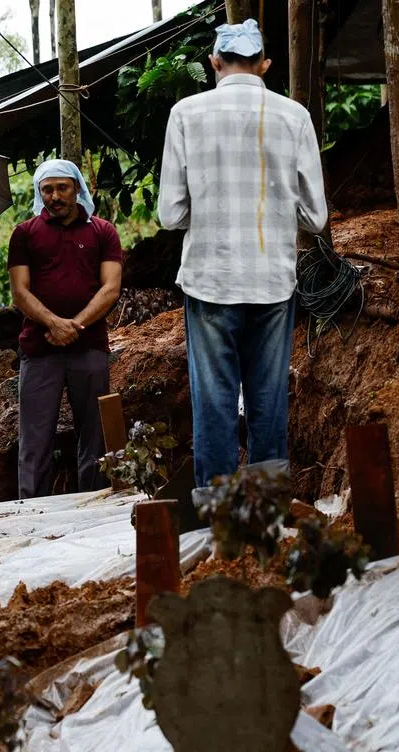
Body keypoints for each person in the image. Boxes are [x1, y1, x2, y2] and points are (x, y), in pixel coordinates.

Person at [157, 19, 328, 488]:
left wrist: (208, 210)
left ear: (214, 63)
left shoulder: (186, 113)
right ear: (266, 65)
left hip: (210, 280)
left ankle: (219, 528)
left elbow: (170, 215)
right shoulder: (294, 116)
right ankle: (265, 521)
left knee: (213, 404)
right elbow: (315, 217)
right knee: (268, 402)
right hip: (273, 282)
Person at [8, 159, 123, 498]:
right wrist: (54, 324)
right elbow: (19, 291)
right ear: (39, 193)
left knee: (94, 434)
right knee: (35, 437)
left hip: (90, 348)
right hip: (39, 349)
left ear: (77, 188)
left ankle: (95, 504)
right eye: (47, 189)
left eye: (62, 188)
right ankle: (30, 510)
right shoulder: (25, 234)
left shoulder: (103, 231)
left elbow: (111, 288)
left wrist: (77, 325)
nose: (55, 196)